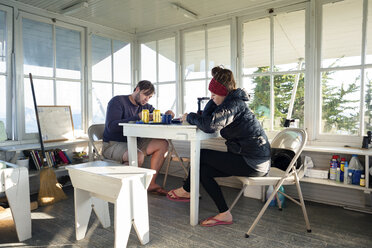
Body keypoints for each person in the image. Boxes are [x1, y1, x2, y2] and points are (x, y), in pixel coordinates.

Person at [167, 66, 271, 226]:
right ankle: (224, 213)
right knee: (202, 170)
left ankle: (187, 191)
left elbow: (210, 125)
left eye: (214, 94)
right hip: (250, 159)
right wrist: (212, 102)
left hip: (253, 162)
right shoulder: (229, 103)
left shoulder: (234, 105)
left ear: (224, 92)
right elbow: (209, 118)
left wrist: (191, 116)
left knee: (201, 156)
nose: (212, 97)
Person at [102, 80, 174, 195]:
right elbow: (111, 127)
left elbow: (157, 115)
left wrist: (167, 114)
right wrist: (136, 117)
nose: (147, 99)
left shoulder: (145, 106)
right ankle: (127, 191)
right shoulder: (117, 101)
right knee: (137, 155)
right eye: (145, 95)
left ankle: (151, 184)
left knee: (163, 144)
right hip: (112, 144)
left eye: (150, 97)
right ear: (137, 89)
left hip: (134, 142)